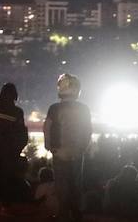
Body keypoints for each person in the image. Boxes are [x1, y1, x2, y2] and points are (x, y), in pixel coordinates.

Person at [43, 73, 92, 222]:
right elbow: (88, 131)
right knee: (76, 183)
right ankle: (77, 213)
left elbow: (47, 128)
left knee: (62, 184)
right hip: (77, 152)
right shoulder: (84, 108)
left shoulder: (54, 108)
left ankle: (62, 214)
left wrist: (49, 146)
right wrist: (83, 148)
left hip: (59, 152)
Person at [0, 82, 29, 213]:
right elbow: (21, 132)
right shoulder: (17, 112)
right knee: (7, 179)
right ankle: (5, 205)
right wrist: (18, 148)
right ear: (15, 96)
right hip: (9, 152)